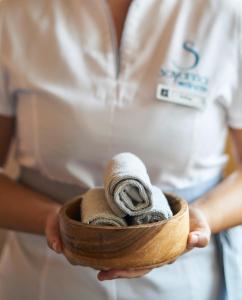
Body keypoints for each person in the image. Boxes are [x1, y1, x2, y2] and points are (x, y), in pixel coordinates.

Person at [0, 0, 242, 299]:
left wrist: (198, 219)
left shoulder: (226, 14)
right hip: (45, 277)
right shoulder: (14, 15)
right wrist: (56, 221)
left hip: (186, 282)